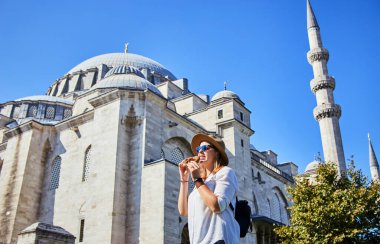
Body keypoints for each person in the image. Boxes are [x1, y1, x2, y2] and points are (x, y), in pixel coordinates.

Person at [178, 133, 240, 244]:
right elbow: (184, 211)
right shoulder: (202, 183)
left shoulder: (225, 172)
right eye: (198, 148)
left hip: (219, 239)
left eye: (205, 148)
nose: (200, 151)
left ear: (217, 153)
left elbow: (217, 205)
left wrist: (197, 179)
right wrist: (184, 179)